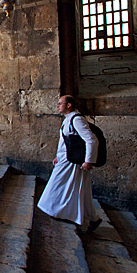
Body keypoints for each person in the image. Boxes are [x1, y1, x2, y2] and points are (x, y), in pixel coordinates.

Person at [37, 95, 103, 233]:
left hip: (72, 162)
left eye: (60, 103)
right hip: (66, 160)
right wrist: (58, 156)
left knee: (56, 186)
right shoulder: (68, 120)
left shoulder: (77, 120)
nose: (57, 106)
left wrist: (88, 161)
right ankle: (92, 218)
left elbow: (91, 140)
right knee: (81, 190)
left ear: (69, 105)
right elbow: (66, 143)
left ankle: (59, 212)